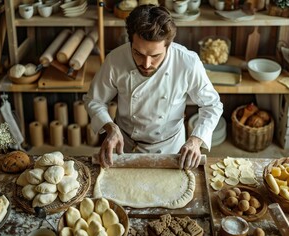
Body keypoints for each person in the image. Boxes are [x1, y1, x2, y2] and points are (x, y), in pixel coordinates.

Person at [83, 4, 223, 169]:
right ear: (130, 41)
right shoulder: (115, 60)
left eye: (155, 55)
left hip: (171, 149)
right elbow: (94, 100)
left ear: (168, 45)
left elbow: (212, 105)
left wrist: (195, 140)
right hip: (125, 147)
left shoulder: (187, 63)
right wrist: (110, 128)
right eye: (138, 53)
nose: (146, 63)